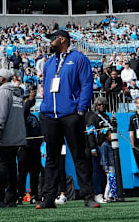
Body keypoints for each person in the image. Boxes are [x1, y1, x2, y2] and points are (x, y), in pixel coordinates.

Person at [36, 30, 99, 209]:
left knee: (80, 155)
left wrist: (81, 109)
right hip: (49, 116)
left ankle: (88, 196)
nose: (50, 42)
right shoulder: (49, 63)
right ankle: (48, 198)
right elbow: (46, 85)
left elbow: (87, 84)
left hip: (71, 114)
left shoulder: (79, 59)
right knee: (51, 158)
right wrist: (44, 107)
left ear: (62, 39)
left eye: (52, 39)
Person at [0, 68, 26, 208]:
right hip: (17, 137)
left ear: (2, 78)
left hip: (5, 137)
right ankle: (10, 199)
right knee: (11, 168)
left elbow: (0, 116)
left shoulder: (3, 92)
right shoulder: (17, 93)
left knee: (1, 167)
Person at [85, 96, 116, 204]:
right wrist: (92, 147)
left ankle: (108, 193)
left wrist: (113, 123)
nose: (102, 106)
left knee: (107, 171)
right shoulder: (92, 117)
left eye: (103, 105)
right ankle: (98, 193)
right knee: (97, 170)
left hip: (107, 146)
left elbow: (112, 131)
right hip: (97, 146)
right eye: (99, 105)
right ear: (96, 106)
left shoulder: (107, 117)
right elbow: (90, 134)